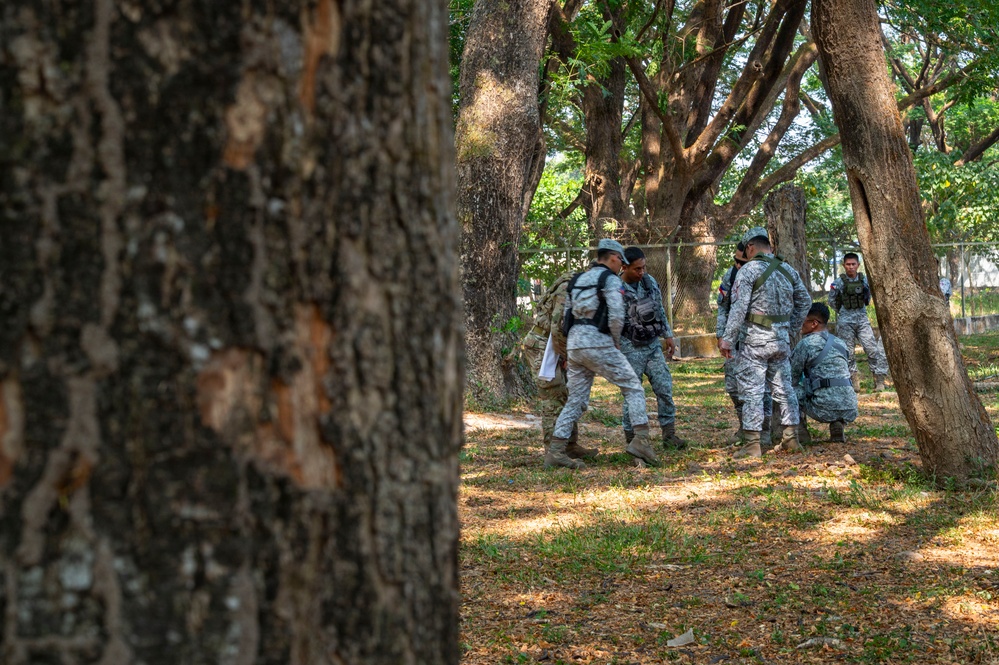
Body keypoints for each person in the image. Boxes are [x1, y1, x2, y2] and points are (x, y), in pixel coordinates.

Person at [548, 239, 659, 469]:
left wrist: (570, 349)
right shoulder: (609, 279)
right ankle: (641, 440)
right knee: (633, 387)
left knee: (576, 400)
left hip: (576, 345)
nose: (621, 266)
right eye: (621, 261)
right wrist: (615, 341)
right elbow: (617, 315)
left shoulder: (577, 279)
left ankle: (556, 450)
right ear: (613, 258)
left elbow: (566, 317)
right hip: (599, 341)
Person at [719, 227, 812, 458]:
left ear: (750, 247)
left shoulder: (748, 270)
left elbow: (739, 309)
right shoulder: (787, 269)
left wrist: (727, 339)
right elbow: (805, 301)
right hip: (780, 341)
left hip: (754, 341)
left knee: (752, 390)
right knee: (784, 388)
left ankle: (752, 445)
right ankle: (791, 438)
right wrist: (790, 329)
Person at [520, 271, 598, 461]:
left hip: (554, 346)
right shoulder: (568, 287)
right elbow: (558, 327)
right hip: (543, 346)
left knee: (566, 395)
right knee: (553, 396)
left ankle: (569, 445)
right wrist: (565, 354)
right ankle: (553, 452)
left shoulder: (581, 287)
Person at [619, 246, 687, 450]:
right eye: (637, 269)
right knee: (632, 394)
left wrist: (668, 335)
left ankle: (669, 435)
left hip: (652, 346)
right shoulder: (616, 290)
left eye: (643, 268)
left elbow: (659, 310)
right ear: (624, 267)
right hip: (629, 347)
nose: (641, 272)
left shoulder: (649, 283)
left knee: (664, 388)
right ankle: (632, 440)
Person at [716, 242, 772, 446]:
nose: (738, 266)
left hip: (757, 338)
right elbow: (723, 307)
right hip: (734, 338)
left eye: (742, 262)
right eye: (736, 262)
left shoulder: (763, 273)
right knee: (732, 385)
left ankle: (763, 431)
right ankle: (744, 425)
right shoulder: (731, 276)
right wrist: (721, 335)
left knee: (761, 388)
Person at [790, 303, 858, 443]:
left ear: (814, 323)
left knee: (787, 390)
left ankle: (800, 433)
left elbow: (791, 377)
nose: (800, 324)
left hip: (822, 408)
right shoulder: (841, 343)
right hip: (850, 407)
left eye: (803, 320)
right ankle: (837, 423)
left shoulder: (806, 344)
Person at [828, 252, 889, 391]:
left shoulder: (865, 281)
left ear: (858, 265)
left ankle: (878, 381)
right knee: (848, 352)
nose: (850, 267)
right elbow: (832, 301)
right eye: (848, 264)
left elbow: (870, 296)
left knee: (872, 350)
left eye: (853, 264)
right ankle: (854, 382)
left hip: (862, 320)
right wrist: (844, 312)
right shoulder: (837, 283)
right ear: (844, 266)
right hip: (845, 322)